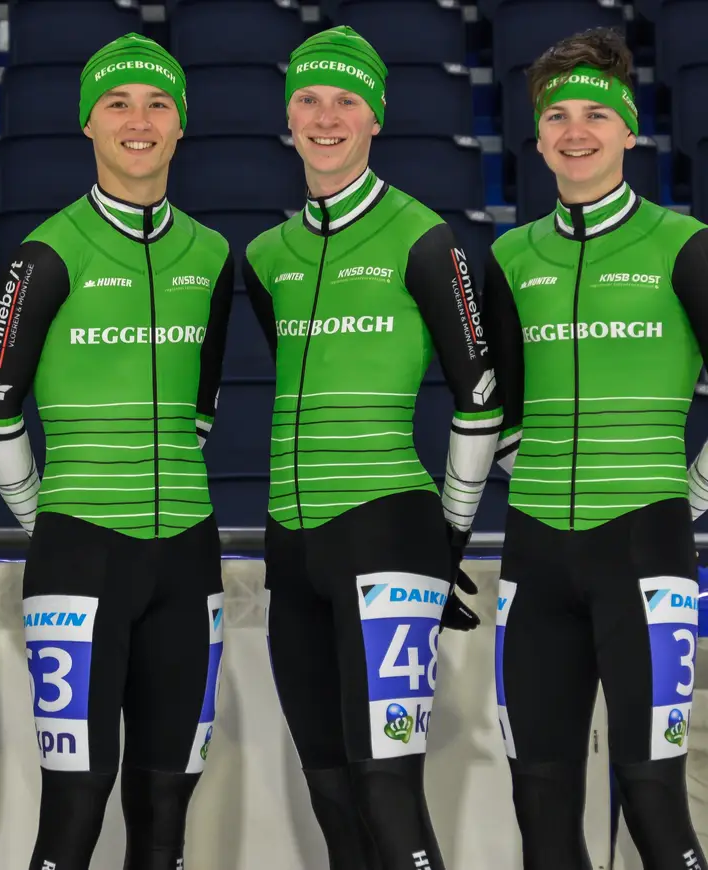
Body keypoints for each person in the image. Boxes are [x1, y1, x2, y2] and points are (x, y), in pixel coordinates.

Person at [0, 34, 232, 870]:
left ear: (181, 125)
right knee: (75, 808)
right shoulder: (45, 252)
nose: (138, 120)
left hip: (188, 559)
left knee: (167, 812)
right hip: (79, 554)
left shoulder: (212, 255)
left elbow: (202, 409)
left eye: (157, 104)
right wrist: (49, 517)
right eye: (117, 103)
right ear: (88, 123)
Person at [243, 26, 502, 870]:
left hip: (387, 533)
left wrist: (447, 537)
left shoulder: (424, 238)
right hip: (292, 544)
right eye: (310, 99)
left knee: (388, 792)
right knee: (333, 800)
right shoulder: (267, 257)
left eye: (347, 101)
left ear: (376, 118)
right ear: (288, 116)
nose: (327, 117)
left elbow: (480, 398)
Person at [483, 27, 708, 870]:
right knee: (541, 816)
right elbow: (496, 406)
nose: (575, 131)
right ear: (537, 137)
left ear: (629, 131)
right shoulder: (510, 256)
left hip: (644, 553)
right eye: (557, 116)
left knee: (654, 806)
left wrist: (687, 494)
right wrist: (530, 471)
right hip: (534, 558)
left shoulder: (684, 244)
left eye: (595, 115)